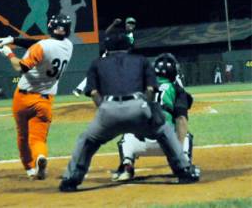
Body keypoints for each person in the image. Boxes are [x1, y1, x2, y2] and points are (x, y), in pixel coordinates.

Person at [59, 31, 200, 192]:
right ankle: (184, 171)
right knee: (164, 130)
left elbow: (92, 92)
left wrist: (104, 108)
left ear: (107, 48)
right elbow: (151, 90)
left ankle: (71, 180)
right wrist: (147, 108)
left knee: (86, 140)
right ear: (129, 47)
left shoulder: (97, 63)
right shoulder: (141, 61)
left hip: (108, 109)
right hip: (137, 107)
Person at [0, 14, 73, 180]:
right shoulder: (68, 46)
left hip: (23, 99)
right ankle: (40, 158)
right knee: (37, 139)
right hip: (44, 101)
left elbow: (19, 67)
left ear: (51, 27)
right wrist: (12, 39)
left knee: (22, 136)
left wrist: (8, 53)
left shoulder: (42, 47)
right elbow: (41, 44)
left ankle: (29, 169)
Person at [111, 53, 195, 181]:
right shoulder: (177, 90)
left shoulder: (141, 87)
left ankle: (127, 165)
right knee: (186, 135)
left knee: (127, 134)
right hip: (168, 144)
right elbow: (181, 119)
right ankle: (184, 166)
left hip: (140, 143)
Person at [72, 17, 136, 97]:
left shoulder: (132, 37)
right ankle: (79, 89)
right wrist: (114, 24)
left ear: (134, 26)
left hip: (120, 59)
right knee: (95, 72)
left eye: (132, 23)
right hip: (108, 56)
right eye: (129, 23)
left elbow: (129, 50)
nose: (130, 25)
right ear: (126, 24)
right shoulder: (119, 31)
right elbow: (107, 32)